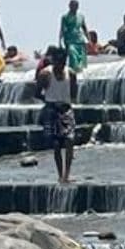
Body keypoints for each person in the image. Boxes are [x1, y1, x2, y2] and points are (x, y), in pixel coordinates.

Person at [36, 46, 79, 183]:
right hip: (51, 108)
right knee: (56, 144)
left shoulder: (71, 74)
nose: (60, 65)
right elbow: (37, 93)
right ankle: (60, 175)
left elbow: (73, 93)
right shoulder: (45, 74)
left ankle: (67, 174)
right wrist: (49, 101)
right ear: (53, 61)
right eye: (58, 62)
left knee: (70, 140)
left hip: (66, 109)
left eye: (63, 62)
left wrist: (65, 102)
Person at [59, 0, 89, 72]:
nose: (74, 7)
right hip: (70, 40)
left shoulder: (81, 16)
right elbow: (62, 29)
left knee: (82, 57)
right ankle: (74, 70)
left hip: (80, 40)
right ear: (69, 6)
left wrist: (89, 39)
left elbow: (84, 28)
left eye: (76, 6)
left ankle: (81, 70)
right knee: (72, 54)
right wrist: (60, 41)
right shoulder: (65, 17)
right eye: (72, 6)